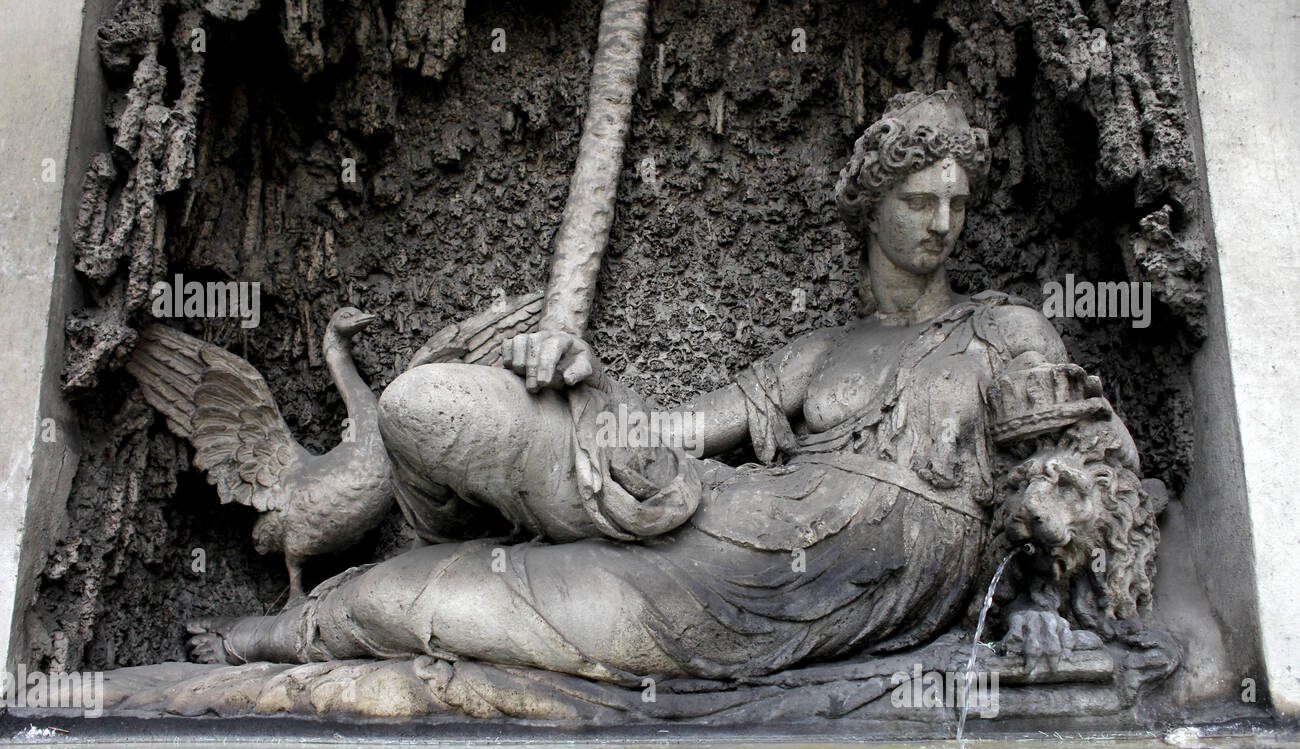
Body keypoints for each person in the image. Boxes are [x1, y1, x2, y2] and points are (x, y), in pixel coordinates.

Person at [187, 91, 1085, 684]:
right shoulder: (817, 354)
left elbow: (1072, 475)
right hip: (747, 524)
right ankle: (318, 611)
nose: (941, 222)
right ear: (871, 206)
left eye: (957, 203)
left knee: (510, 602)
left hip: (855, 574)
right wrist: (596, 384)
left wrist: (1044, 602)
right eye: (919, 199)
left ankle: (291, 634)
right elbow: (683, 430)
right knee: (426, 406)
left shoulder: (1006, 331)